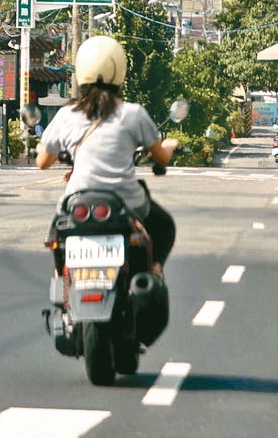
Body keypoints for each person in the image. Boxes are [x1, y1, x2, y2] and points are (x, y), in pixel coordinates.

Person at [36, 35, 177, 273]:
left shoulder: (66, 115)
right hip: (126, 201)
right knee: (164, 227)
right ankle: (154, 269)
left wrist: (42, 148)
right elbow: (161, 157)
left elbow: (43, 162)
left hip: (77, 200)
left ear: (81, 73)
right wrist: (170, 145)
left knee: (57, 233)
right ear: (119, 72)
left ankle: (62, 279)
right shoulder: (133, 114)